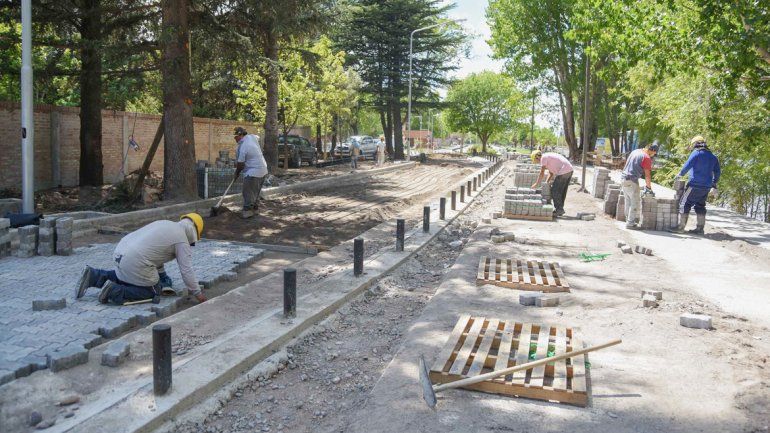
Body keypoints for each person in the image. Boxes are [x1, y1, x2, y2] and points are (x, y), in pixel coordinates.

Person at [75, 214, 208, 305]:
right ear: (194, 232)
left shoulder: (166, 224)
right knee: (153, 289)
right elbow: (186, 270)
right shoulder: (182, 241)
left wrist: (162, 275)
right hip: (135, 260)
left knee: (130, 274)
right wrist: (197, 293)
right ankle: (114, 291)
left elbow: (155, 254)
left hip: (121, 253)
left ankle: (94, 275)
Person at [669, 135, 721, 234]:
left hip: (694, 185)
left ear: (696, 143)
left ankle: (680, 227)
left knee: (684, 203)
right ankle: (700, 229)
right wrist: (714, 183)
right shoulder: (713, 157)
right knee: (700, 206)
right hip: (706, 187)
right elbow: (717, 172)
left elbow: (688, 164)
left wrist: (680, 174)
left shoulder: (696, 153)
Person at [620, 142, 658, 229]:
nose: (653, 155)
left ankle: (628, 220)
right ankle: (630, 223)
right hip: (632, 180)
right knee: (635, 202)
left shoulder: (635, 151)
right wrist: (648, 187)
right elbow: (647, 175)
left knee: (628, 200)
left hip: (623, 178)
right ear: (651, 150)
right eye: (654, 153)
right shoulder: (646, 157)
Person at [233, 127, 268, 219]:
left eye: (235, 136)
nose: (234, 138)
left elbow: (240, 164)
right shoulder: (252, 137)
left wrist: (236, 173)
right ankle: (255, 209)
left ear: (240, 135)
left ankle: (248, 211)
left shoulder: (244, 145)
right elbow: (257, 137)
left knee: (247, 191)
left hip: (254, 171)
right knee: (255, 191)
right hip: (263, 169)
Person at [531, 150, 574, 217]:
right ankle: (560, 209)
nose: (537, 162)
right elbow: (551, 173)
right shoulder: (547, 157)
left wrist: (536, 184)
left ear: (537, 157)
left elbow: (541, 173)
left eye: (536, 161)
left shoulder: (543, 158)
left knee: (554, 190)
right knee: (562, 191)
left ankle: (559, 210)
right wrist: (546, 183)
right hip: (569, 170)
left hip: (564, 171)